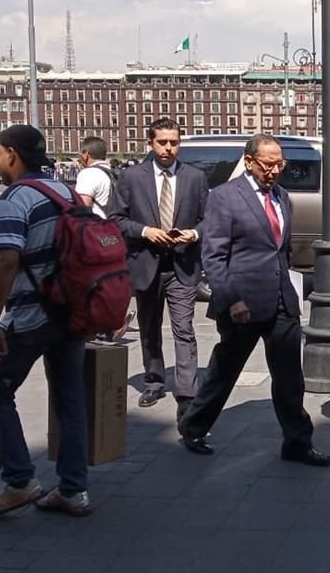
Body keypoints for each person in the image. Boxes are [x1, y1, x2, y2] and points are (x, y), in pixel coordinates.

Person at [179, 134, 330, 467]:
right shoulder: (224, 198)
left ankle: (297, 442)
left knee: (290, 376)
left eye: (280, 164)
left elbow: (282, 250)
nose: (275, 170)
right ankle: (194, 427)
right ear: (249, 162)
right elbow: (214, 256)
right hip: (242, 305)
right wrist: (231, 299)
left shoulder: (282, 196)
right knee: (225, 371)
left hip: (281, 302)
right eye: (268, 164)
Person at [0, 124, 90, 517]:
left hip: (32, 316)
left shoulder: (15, 197)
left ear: (11, 154)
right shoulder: (67, 192)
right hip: (72, 313)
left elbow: (7, 258)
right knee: (70, 399)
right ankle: (73, 490)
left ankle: (20, 481)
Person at [110, 118, 207, 430]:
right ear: (150, 143)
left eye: (173, 143)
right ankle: (154, 380)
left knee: (184, 328)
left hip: (183, 265)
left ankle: (187, 392)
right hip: (145, 263)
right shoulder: (130, 177)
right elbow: (115, 219)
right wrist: (145, 231)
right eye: (162, 142)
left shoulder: (195, 178)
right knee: (150, 327)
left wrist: (193, 234)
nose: (168, 148)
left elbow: (211, 219)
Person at [75, 136, 134, 342]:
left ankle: (107, 325)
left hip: (95, 237)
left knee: (90, 284)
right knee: (108, 282)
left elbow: (82, 207)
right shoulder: (113, 172)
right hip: (114, 236)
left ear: (86, 154)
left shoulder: (89, 174)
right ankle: (113, 321)